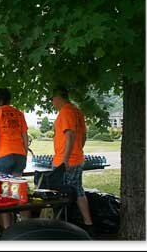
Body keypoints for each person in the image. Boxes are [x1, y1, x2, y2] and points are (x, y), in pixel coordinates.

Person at [51, 86, 93, 235]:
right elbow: (83, 136)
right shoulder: (77, 111)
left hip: (66, 161)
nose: (52, 102)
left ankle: (62, 227)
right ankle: (88, 224)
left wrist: (65, 159)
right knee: (78, 191)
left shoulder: (66, 112)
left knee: (61, 194)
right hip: (77, 158)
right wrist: (78, 151)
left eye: (52, 99)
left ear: (58, 97)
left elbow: (70, 135)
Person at [0, 88, 29, 230]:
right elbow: (25, 136)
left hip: (3, 157)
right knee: (18, 194)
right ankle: (25, 229)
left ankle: (8, 232)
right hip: (19, 156)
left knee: (4, 197)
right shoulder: (19, 113)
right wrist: (24, 155)